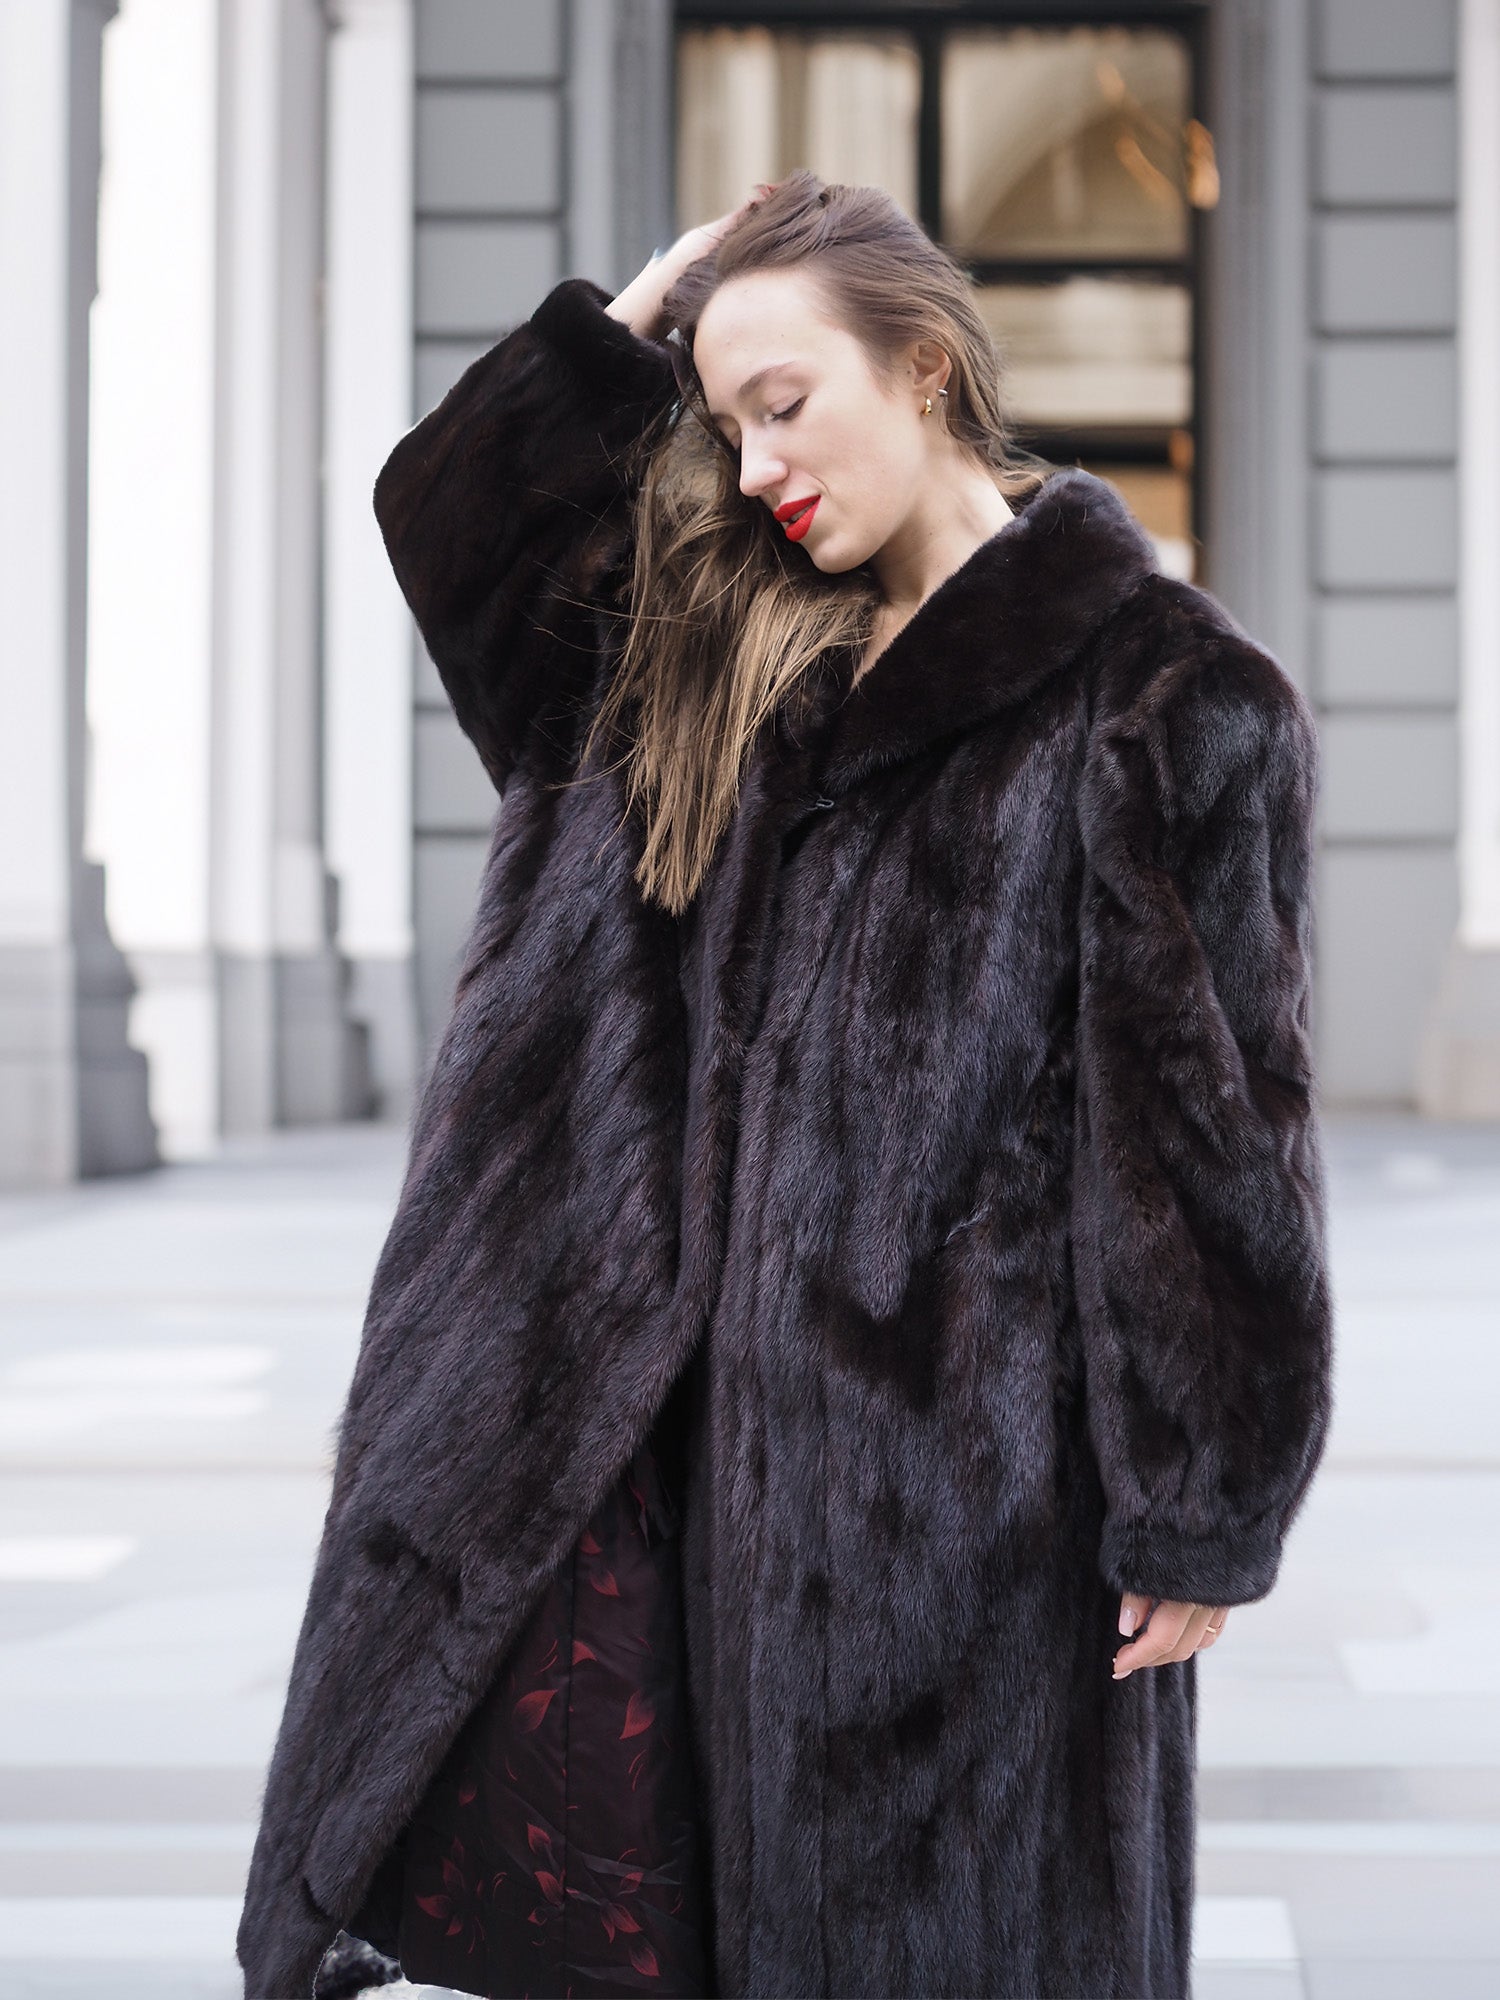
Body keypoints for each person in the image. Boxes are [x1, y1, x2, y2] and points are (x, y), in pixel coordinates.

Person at [236, 171, 1334, 2000]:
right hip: (684, 1492)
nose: (753, 470)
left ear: (922, 369)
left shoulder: (1164, 695)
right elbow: (461, 550)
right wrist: (642, 326)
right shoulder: (726, 666)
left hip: (972, 1517)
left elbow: (1212, 1136)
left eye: (786, 404)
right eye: (723, 420)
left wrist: (1207, 1494)